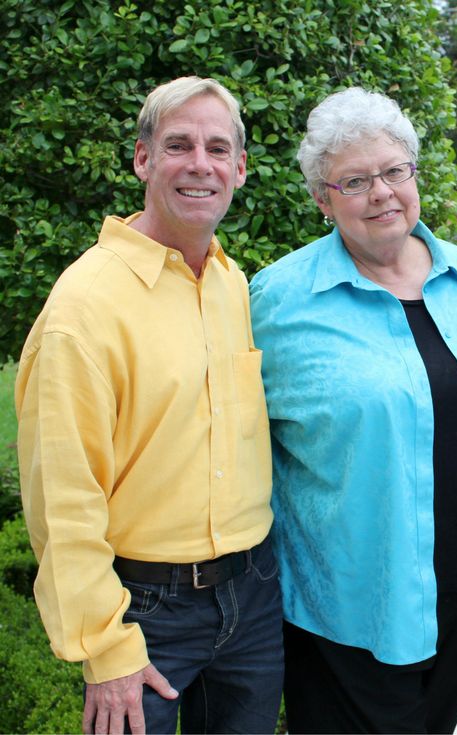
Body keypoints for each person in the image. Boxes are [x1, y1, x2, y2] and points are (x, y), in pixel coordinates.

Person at [248, 86, 457, 734]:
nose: (380, 192)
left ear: (414, 174)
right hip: (348, 600)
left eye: (392, 171)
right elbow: (236, 444)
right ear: (323, 199)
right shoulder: (280, 300)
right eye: (354, 180)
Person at [15, 77, 283, 735]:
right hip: (145, 609)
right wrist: (104, 645)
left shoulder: (228, 281)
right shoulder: (84, 307)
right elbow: (63, 496)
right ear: (143, 159)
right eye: (178, 145)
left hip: (252, 595)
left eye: (218, 148)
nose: (201, 164)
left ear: (240, 170)